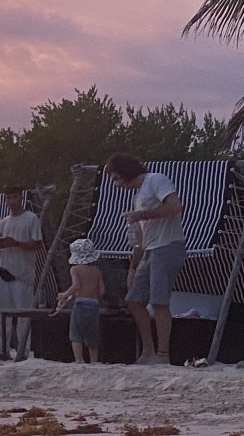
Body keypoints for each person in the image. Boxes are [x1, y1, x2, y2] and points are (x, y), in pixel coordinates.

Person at [108, 154, 184, 364]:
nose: (116, 185)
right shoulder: (138, 196)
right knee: (133, 299)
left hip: (167, 246)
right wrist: (133, 267)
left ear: (125, 173)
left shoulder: (156, 180)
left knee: (159, 301)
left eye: (116, 178)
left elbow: (175, 206)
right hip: (150, 249)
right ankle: (148, 351)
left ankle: (163, 354)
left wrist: (143, 215)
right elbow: (140, 238)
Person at [0, 185, 43, 362]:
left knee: (22, 315)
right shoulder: (4, 221)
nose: (11, 201)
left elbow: (37, 244)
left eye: (14, 197)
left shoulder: (30, 218)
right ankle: (2, 349)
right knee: (1, 314)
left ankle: (23, 351)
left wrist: (16, 244)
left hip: (22, 273)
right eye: (8, 198)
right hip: (4, 270)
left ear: (21, 198)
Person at [53, 236, 105, 364]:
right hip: (94, 305)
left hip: (81, 304)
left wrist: (65, 295)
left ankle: (79, 359)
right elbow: (102, 291)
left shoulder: (75, 269)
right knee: (92, 334)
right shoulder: (96, 270)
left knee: (76, 333)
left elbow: (76, 286)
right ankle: (94, 360)